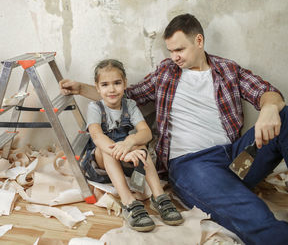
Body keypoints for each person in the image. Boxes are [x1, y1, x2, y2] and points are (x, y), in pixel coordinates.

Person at [60, 14, 288, 244]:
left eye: (179, 49)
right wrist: (81, 88)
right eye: (170, 51)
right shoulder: (166, 72)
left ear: (199, 41)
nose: (174, 57)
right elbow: (124, 95)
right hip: (193, 164)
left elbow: (265, 91)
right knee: (250, 212)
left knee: (286, 115)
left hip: (236, 158)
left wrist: (270, 106)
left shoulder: (227, 69)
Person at [81, 59, 183, 232]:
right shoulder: (95, 107)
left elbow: (146, 133)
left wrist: (129, 143)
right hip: (99, 165)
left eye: (117, 83)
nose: (112, 89)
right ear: (97, 88)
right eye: (105, 85)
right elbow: (97, 136)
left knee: (141, 148)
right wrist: (121, 152)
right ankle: (129, 202)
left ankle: (160, 198)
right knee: (106, 150)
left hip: (125, 160)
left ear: (125, 84)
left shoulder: (130, 105)